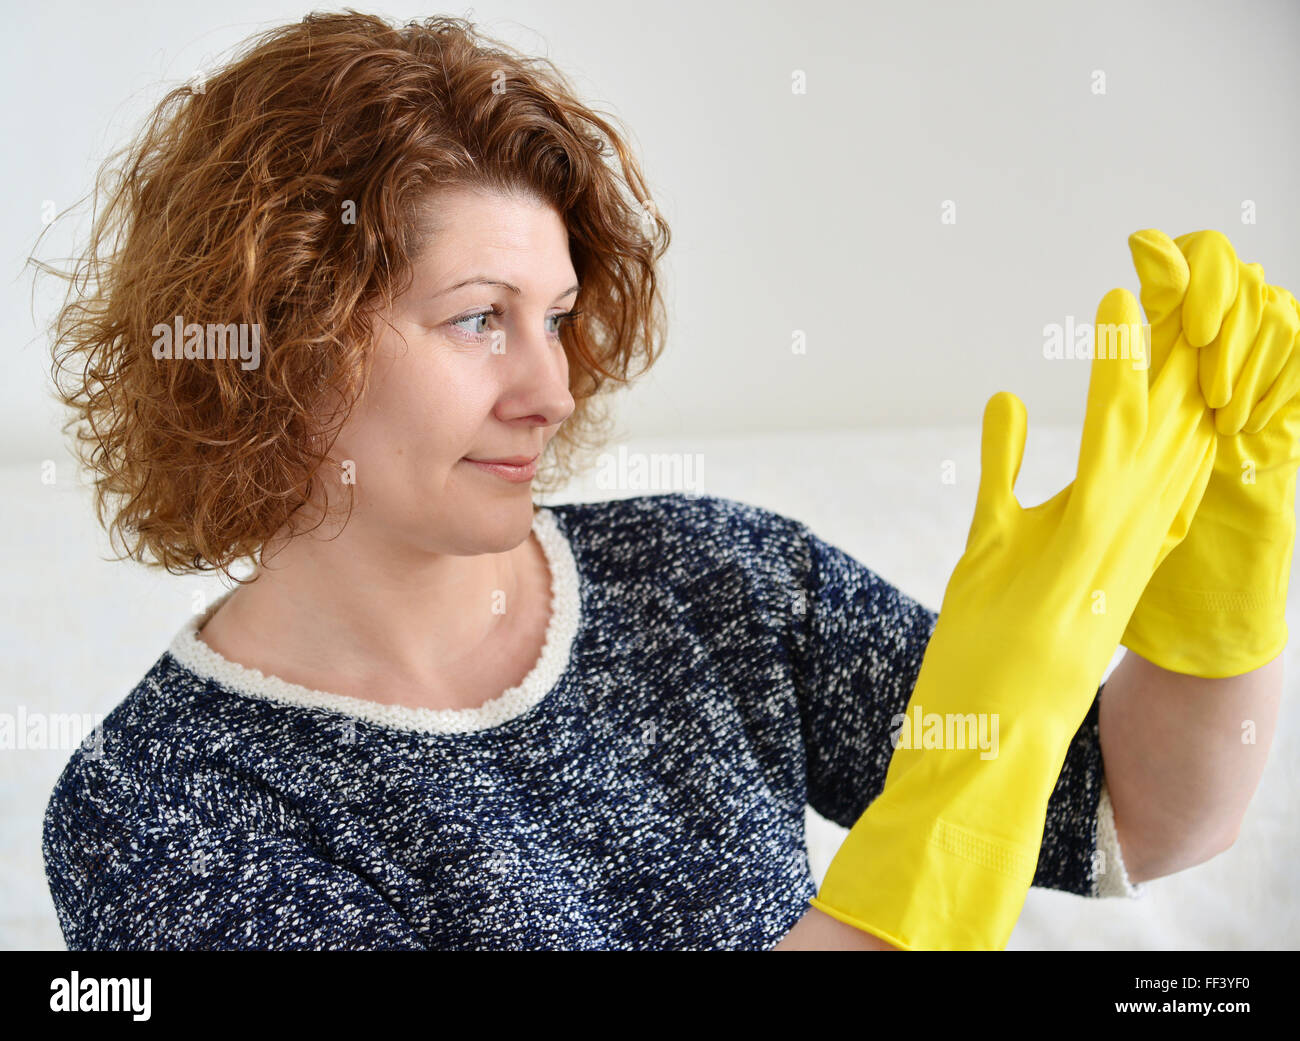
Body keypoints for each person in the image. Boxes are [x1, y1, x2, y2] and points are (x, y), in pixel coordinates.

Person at [37, 12, 1287, 951]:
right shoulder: (158, 809)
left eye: (561, 317)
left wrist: (1223, 571)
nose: (554, 387)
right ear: (285, 342)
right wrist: (953, 806)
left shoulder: (712, 581)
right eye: (479, 319)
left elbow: (1143, 818)